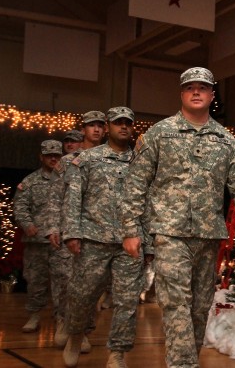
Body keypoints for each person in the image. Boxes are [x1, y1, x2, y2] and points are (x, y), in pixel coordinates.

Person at [122, 67, 235, 368]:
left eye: (202, 87)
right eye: (189, 87)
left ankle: (187, 359)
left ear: (211, 95)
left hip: (207, 236)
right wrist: (130, 228)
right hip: (170, 232)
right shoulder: (160, 133)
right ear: (181, 93)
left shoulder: (226, 140)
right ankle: (183, 365)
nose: (196, 91)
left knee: (200, 306)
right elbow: (136, 181)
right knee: (176, 303)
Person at [61, 106, 145, 368]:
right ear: (107, 126)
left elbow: (149, 203)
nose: (123, 127)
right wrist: (72, 233)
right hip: (92, 239)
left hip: (129, 243)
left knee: (127, 301)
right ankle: (75, 335)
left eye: (127, 123)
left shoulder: (140, 163)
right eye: (118, 122)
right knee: (81, 295)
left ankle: (117, 353)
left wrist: (149, 242)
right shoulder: (86, 159)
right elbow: (73, 198)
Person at [45, 111, 107, 350]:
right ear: (83, 130)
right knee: (65, 282)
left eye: (101, 126)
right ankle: (63, 322)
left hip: (95, 232)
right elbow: (54, 197)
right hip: (68, 228)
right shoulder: (67, 161)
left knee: (91, 286)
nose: (96, 130)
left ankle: (81, 331)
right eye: (91, 126)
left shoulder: (109, 157)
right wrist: (53, 226)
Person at [13, 139, 63, 333]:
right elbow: (20, 206)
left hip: (61, 241)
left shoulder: (68, 179)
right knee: (35, 281)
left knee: (62, 284)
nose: (53, 159)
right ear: (41, 157)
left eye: (56, 155)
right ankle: (34, 316)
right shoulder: (30, 181)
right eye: (49, 155)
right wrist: (27, 224)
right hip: (37, 242)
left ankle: (61, 320)